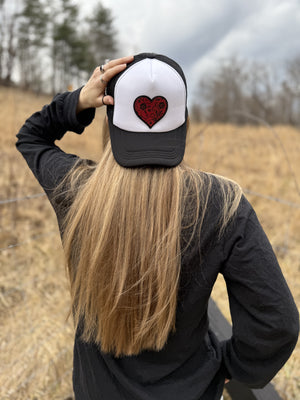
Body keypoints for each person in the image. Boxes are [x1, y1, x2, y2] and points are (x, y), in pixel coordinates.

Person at [16, 53, 299, 400]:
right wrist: (232, 368)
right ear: (184, 123)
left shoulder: (76, 189)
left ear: (112, 121)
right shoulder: (223, 203)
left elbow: (31, 136)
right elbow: (278, 322)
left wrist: (77, 102)